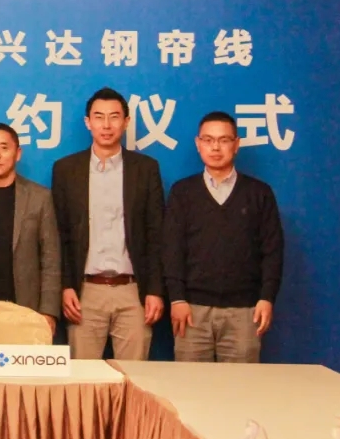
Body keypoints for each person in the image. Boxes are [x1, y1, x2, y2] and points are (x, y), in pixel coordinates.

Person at [52, 87, 164, 360]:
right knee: (84, 380)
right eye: (98, 117)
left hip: (133, 292)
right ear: (87, 122)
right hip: (85, 292)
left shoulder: (145, 168)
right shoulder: (66, 169)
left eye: (114, 117)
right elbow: (59, 235)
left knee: (134, 377)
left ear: (126, 122)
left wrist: (155, 290)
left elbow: (156, 234)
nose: (106, 125)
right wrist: (65, 286)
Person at [164, 111, 284, 363]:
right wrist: (177, 299)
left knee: (240, 386)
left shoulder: (259, 193)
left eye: (224, 140)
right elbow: (172, 250)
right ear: (198, 144)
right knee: (188, 385)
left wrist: (266, 298)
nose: (215, 147)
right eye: (208, 140)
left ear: (236, 144)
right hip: (192, 311)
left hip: (245, 312)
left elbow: (272, 251)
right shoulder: (182, 192)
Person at [0, 123, 61, 333]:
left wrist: (48, 312)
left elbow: (51, 259)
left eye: (4, 147)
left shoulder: (40, 197)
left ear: (18, 153)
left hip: (27, 310)